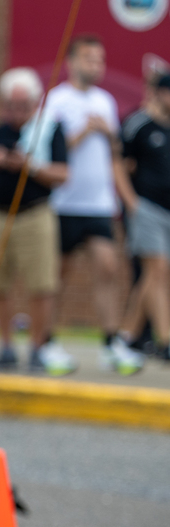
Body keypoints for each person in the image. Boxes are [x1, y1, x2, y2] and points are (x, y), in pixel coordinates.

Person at [43, 35, 143, 375]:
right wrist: (85, 131)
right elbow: (49, 151)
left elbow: (114, 155)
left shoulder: (106, 101)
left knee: (108, 267)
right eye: (89, 59)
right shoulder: (57, 100)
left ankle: (110, 343)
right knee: (57, 274)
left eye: (100, 60)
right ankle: (49, 342)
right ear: (72, 62)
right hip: (64, 203)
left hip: (99, 203)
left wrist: (124, 196)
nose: (96, 66)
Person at [0, 67, 70, 372]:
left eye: (23, 105)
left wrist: (30, 165)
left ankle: (37, 347)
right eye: (11, 105)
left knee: (41, 284)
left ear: (35, 103)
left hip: (35, 215)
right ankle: (6, 346)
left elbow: (63, 174)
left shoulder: (48, 130)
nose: (16, 112)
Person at [117, 72, 170, 360]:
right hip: (146, 207)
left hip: (167, 209)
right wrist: (131, 202)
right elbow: (119, 163)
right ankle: (165, 339)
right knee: (157, 270)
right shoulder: (138, 123)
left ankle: (126, 336)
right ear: (160, 93)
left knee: (155, 276)